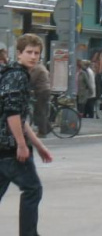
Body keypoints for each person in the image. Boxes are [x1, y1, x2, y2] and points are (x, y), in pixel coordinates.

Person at [0, 33, 53, 235]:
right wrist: (21, 145)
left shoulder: (9, 73)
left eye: (36, 53)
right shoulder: (18, 76)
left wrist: (39, 146)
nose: (33, 56)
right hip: (10, 147)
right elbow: (12, 113)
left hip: (3, 146)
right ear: (19, 53)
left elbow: (20, 118)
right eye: (29, 52)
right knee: (32, 190)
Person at [29, 62, 51, 138]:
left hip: (41, 91)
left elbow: (31, 79)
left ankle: (42, 132)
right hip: (45, 90)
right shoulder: (42, 67)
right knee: (42, 110)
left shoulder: (37, 68)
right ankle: (47, 128)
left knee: (40, 111)